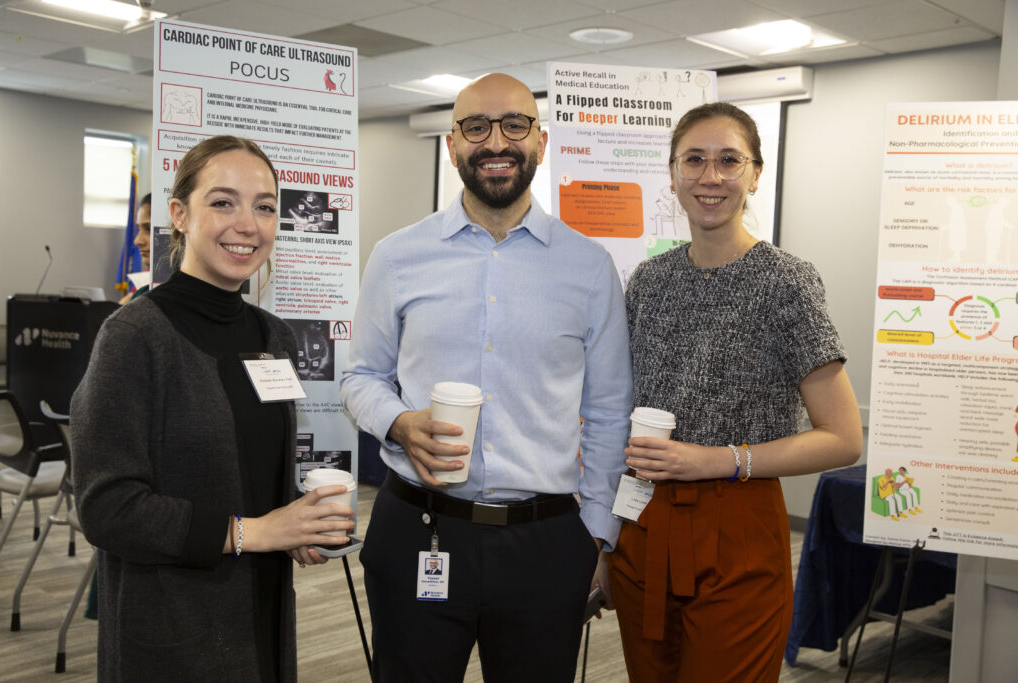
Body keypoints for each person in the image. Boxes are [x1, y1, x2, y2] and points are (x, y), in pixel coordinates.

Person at [341, 73, 632, 682]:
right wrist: (399, 422)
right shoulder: (398, 256)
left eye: (514, 125)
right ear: (452, 146)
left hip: (546, 542)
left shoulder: (589, 267)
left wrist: (596, 535)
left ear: (541, 142)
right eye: (476, 127)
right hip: (419, 528)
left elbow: (609, 412)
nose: (496, 142)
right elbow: (361, 377)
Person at [71, 135, 354, 682]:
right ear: (179, 214)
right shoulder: (134, 337)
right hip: (172, 629)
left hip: (263, 618)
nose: (247, 224)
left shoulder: (273, 335)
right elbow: (107, 507)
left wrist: (296, 525)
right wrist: (257, 532)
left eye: (264, 207)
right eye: (223, 202)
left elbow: (244, 470)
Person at [607, 102, 863, 682]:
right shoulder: (649, 282)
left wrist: (715, 460)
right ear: (673, 174)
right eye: (694, 160)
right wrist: (605, 543)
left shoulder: (786, 282)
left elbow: (843, 438)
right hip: (642, 522)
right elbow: (621, 418)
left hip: (739, 527)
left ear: (755, 175)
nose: (711, 176)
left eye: (729, 160)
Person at [119, 192, 152, 305]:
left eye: (149, 229)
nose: (137, 241)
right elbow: (122, 306)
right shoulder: (149, 277)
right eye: (139, 229)